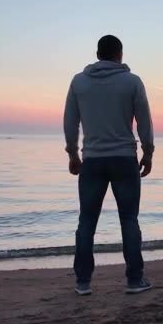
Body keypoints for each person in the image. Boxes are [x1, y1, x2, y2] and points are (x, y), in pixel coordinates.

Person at [63, 35, 154, 296]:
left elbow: (70, 122)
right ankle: (134, 280)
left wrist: (72, 153)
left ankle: (83, 282)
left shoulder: (79, 82)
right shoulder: (132, 81)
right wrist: (148, 153)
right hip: (124, 159)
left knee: (87, 221)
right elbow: (144, 122)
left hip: (92, 160)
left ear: (97, 53)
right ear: (120, 54)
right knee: (129, 219)